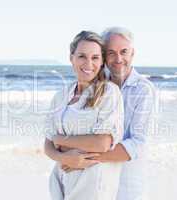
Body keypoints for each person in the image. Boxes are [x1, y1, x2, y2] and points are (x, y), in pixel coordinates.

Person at [52, 27, 154, 200]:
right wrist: (69, 156)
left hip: (126, 183)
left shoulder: (144, 90)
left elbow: (137, 143)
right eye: (111, 53)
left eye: (124, 52)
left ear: (133, 53)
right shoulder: (94, 83)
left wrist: (81, 159)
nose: (118, 59)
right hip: (88, 181)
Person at [44, 31, 124, 200]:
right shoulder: (61, 96)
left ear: (102, 61)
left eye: (95, 57)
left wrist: (60, 140)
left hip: (93, 186)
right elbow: (47, 144)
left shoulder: (109, 92)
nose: (88, 63)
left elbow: (102, 143)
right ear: (71, 58)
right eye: (82, 56)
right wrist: (64, 157)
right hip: (62, 181)